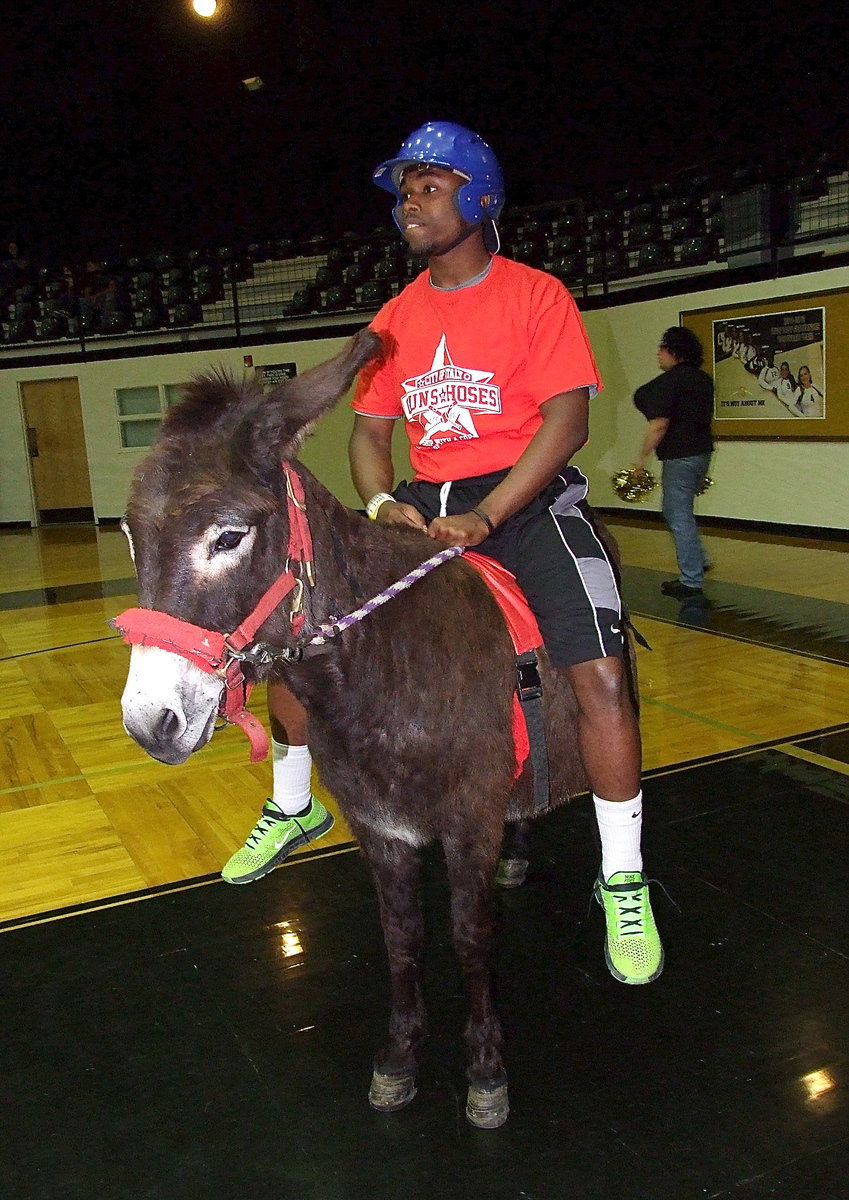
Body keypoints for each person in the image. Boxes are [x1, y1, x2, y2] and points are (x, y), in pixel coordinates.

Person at [222, 120, 663, 986]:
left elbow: (565, 424)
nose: (407, 205)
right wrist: (386, 503)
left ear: (481, 195)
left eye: (427, 187)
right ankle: (291, 803)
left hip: (526, 504)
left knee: (603, 672)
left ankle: (622, 876)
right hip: (421, 507)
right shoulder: (394, 317)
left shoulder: (537, 297)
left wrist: (492, 515)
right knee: (298, 623)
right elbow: (369, 434)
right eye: (402, 192)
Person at [633, 326, 714, 598]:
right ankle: (698, 560)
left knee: (677, 514)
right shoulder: (702, 380)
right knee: (682, 512)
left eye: (662, 348)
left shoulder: (672, 382)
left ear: (673, 351)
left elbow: (659, 424)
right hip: (701, 453)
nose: (658, 354)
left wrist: (640, 461)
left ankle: (691, 580)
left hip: (680, 457)